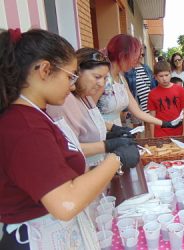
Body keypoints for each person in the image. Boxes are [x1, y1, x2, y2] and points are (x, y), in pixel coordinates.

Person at [0, 28, 135, 249]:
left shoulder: (36, 115)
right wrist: (116, 158)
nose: (73, 85)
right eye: (70, 76)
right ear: (45, 70)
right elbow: (65, 202)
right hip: (37, 238)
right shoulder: (24, 125)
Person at [47, 48, 139, 169]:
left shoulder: (85, 96)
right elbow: (68, 148)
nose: (101, 83)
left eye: (105, 78)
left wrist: (113, 130)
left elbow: (89, 122)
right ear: (78, 72)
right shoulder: (64, 101)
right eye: (97, 77)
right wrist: (108, 145)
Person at [96, 34, 179, 131]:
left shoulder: (121, 79)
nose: (136, 61)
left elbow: (137, 111)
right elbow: (89, 115)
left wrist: (165, 123)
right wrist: (113, 128)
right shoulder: (102, 78)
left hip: (116, 132)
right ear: (123, 55)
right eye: (135, 57)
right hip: (100, 134)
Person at [148, 61, 184, 137]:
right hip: (160, 133)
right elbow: (152, 117)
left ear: (171, 73)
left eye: (166, 75)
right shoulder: (152, 93)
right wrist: (152, 137)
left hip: (178, 132)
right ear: (155, 77)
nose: (164, 78)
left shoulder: (180, 89)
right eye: (161, 76)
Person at [125, 45, 157, 137]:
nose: (140, 56)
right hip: (136, 102)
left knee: (149, 126)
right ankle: (138, 146)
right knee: (137, 129)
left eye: (142, 54)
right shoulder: (128, 70)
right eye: (138, 54)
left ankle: (148, 144)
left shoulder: (146, 68)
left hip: (148, 101)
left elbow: (153, 84)